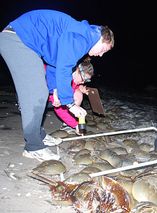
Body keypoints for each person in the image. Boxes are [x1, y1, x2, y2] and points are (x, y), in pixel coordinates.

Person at [0, 9, 114, 162]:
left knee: (42, 90)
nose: (100, 55)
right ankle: (33, 147)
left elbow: (55, 64)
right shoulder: (83, 37)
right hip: (18, 38)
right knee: (37, 94)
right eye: (103, 50)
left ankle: (37, 135)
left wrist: (54, 91)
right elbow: (64, 67)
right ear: (102, 39)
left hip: (25, 42)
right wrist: (70, 103)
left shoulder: (81, 35)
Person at [48, 57, 94, 135]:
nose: (83, 82)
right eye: (83, 78)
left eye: (86, 81)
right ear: (77, 70)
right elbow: (59, 108)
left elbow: (72, 86)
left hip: (51, 96)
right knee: (62, 104)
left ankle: (67, 121)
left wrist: (79, 88)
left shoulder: (72, 77)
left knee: (78, 94)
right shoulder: (62, 76)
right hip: (39, 93)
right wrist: (75, 125)